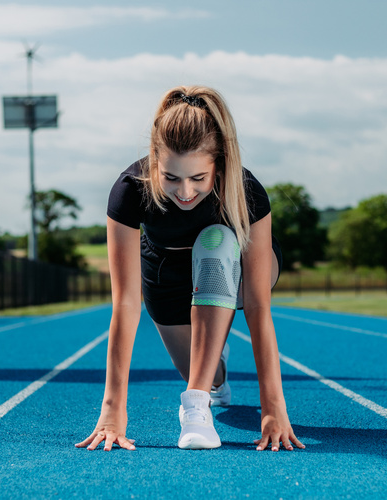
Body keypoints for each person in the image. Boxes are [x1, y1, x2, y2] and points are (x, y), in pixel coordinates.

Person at [75, 85, 304, 452]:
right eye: (171, 178)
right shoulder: (129, 190)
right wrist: (113, 411)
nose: (184, 192)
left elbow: (260, 306)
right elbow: (126, 305)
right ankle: (215, 374)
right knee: (209, 374)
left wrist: (273, 409)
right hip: (166, 271)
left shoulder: (246, 191)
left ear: (220, 163)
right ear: (154, 161)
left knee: (215, 242)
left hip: (232, 266)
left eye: (198, 179)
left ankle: (195, 408)